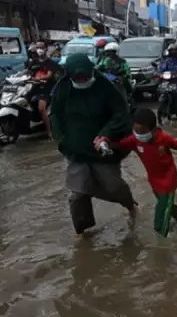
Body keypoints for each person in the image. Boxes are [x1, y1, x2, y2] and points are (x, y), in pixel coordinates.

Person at [50, 53, 137, 236]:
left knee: (113, 186)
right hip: (75, 148)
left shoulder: (106, 87)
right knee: (77, 195)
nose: (82, 81)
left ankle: (131, 207)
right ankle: (82, 234)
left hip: (103, 147)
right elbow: (55, 115)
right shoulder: (63, 88)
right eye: (77, 78)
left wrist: (105, 134)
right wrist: (61, 139)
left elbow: (121, 114)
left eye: (85, 77)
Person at [111, 108, 177, 237]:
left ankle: (162, 239)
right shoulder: (134, 140)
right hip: (153, 180)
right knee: (167, 205)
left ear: (153, 129)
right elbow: (118, 144)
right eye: (136, 130)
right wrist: (103, 141)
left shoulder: (163, 138)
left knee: (161, 218)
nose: (139, 134)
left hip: (168, 180)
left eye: (143, 131)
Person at [29, 47, 59, 138]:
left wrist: (39, 78)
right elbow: (27, 71)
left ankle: (49, 131)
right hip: (34, 87)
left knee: (41, 109)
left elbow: (49, 75)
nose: (39, 50)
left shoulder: (50, 63)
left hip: (46, 88)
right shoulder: (34, 62)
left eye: (41, 47)